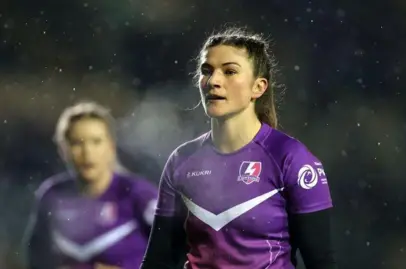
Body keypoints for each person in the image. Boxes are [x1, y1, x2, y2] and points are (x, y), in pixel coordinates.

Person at [141, 27, 336, 269]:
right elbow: (158, 261)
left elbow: (321, 262)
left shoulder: (291, 158)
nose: (214, 81)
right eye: (206, 71)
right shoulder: (182, 161)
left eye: (230, 71)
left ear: (259, 87)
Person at [24, 101, 158, 269]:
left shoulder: (138, 194)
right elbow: (36, 257)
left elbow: (177, 250)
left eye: (96, 141)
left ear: (110, 147)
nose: (87, 152)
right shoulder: (52, 196)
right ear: (63, 149)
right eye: (77, 143)